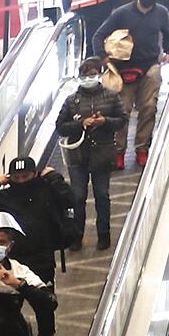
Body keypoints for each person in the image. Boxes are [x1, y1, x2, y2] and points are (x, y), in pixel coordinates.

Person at [0, 155, 78, 336]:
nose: (21, 181)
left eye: (26, 176)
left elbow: (70, 199)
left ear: (34, 174)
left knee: (43, 304)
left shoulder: (46, 190)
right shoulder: (4, 197)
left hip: (41, 257)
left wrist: (54, 178)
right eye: (17, 177)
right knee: (9, 305)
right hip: (13, 259)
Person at [93, 0, 169, 167]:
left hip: (150, 65)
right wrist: (104, 58)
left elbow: (167, 33)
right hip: (123, 69)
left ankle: (142, 148)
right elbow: (98, 35)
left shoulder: (161, 12)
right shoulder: (122, 13)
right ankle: (118, 151)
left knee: (149, 108)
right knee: (123, 111)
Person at [55, 57, 128, 250]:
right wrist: (81, 124)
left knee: (102, 195)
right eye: (85, 75)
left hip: (102, 154)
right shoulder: (72, 101)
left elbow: (122, 119)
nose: (89, 78)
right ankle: (76, 236)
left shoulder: (111, 96)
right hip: (77, 156)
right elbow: (60, 127)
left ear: (100, 74)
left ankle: (104, 235)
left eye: (92, 74)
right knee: (78, 196)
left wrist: (105, 122)